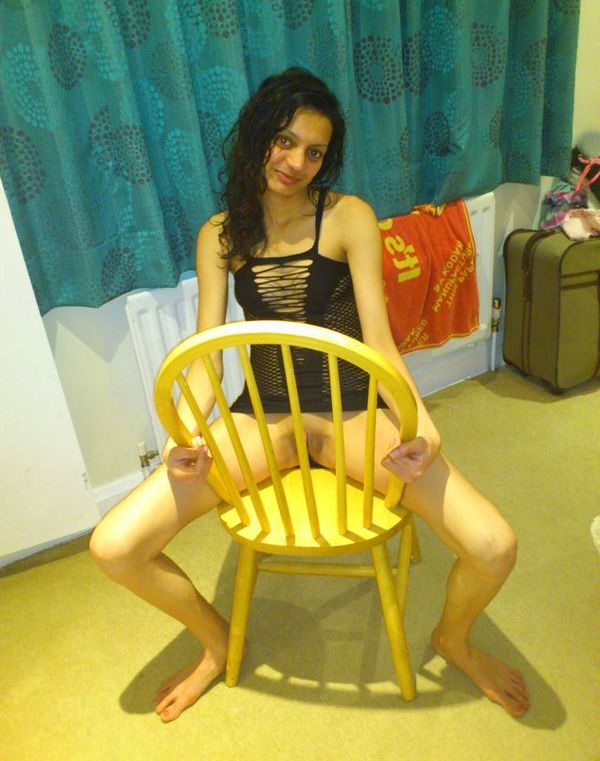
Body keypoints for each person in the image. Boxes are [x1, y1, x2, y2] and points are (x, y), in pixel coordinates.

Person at [90, 67, 529, 722]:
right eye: (285, 141)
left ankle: (453, 638)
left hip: (356, 414)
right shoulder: (219, 235)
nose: (296, 162)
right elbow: (207, 358)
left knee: (495, 545)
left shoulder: (348, 216)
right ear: (258, 136)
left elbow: (379, 342)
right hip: (264, 417)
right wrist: (182, 435)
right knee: (114, 546)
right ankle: (217, 641)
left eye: (315, 151)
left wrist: (423, 425)